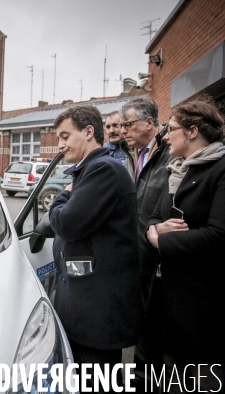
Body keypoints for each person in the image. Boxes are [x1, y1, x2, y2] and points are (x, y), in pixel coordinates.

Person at [145, 100, 225, 392]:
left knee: (203, 381)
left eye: (171, 129)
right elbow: (154, 217)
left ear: (193, 131)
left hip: (208, 302)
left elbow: (222, 234)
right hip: (170, 296)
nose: (165, 136)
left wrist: (161, 239)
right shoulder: (177, 170)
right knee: (172, 377)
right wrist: (154, 229)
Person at [49, 105, 143, 392]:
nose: (60, 144)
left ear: (89, 132)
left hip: (97, 316)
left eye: (66, 136)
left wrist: (58, 199)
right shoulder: (92, 170)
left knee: (98, 384)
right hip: (87, 311)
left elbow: (66, 224)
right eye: (59, 138)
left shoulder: (102, 169)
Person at [118, 97, 173, 390]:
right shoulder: (130, 155)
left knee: (155, 329)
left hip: (159, 256)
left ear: (149, 123)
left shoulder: (171, 153)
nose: (123, 130)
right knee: (140, 323)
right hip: (134, 254)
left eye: (128, 124)